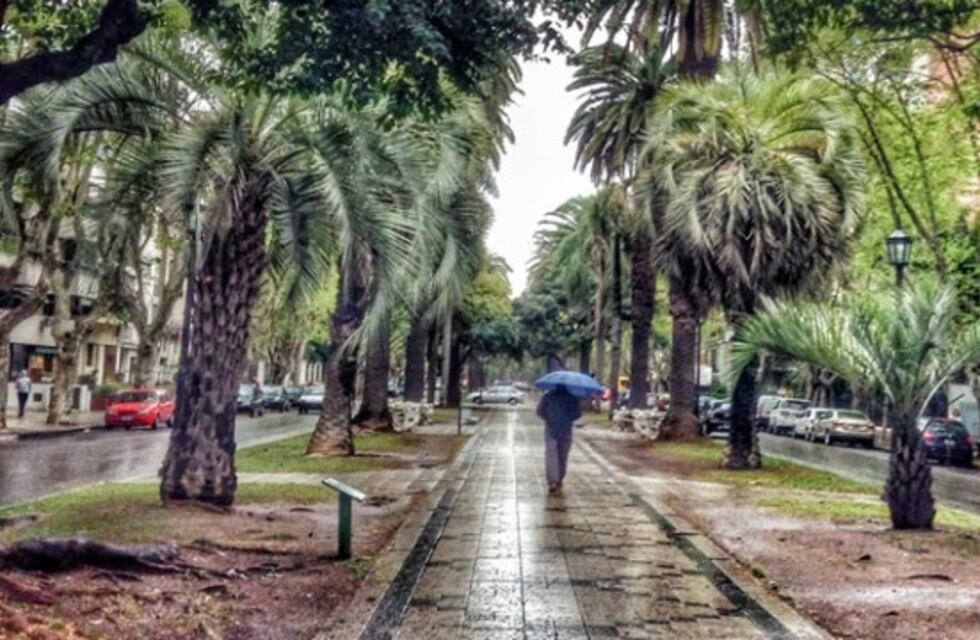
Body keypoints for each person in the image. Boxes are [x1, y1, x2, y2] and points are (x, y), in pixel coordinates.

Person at [536, 384, 582, 495]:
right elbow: (578, 413)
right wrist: (569, 418)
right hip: (566, 430)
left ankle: (553, 481)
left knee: (551, 456)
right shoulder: (572, 398)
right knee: (562, 456)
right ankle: (559, 479)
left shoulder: (548, 397)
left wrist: (549, 418)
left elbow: (539, 411)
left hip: (551, 429)